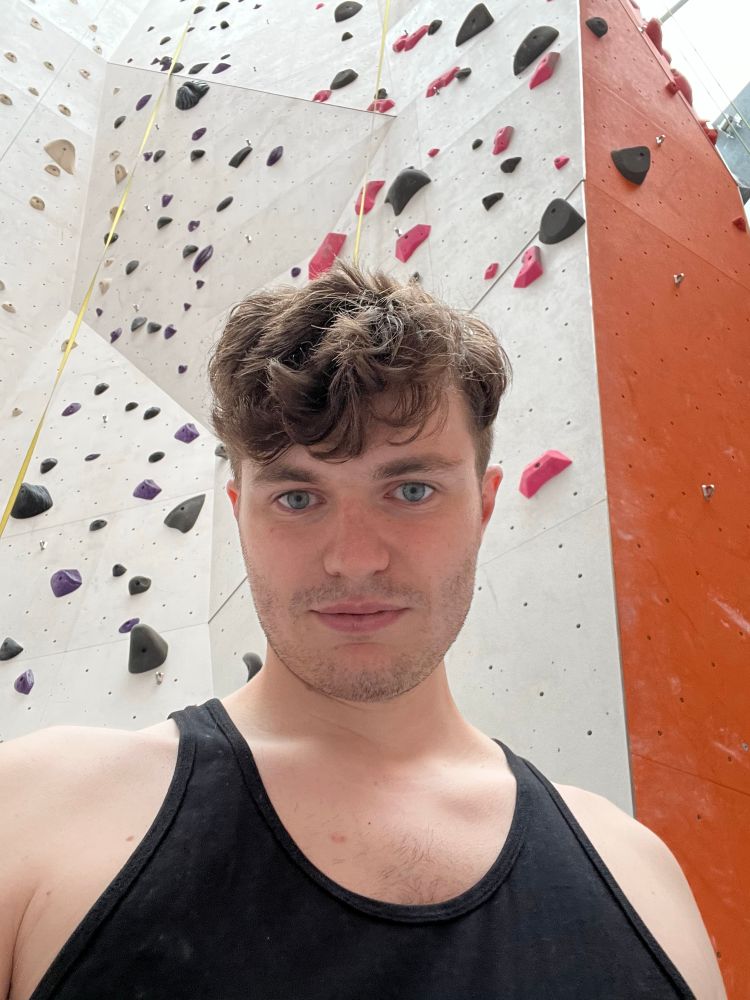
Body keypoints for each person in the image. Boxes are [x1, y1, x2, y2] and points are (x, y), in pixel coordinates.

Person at [1, 260, 725, 999]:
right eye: (297, 497)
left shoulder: (642, 881)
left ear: (483, 506)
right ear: (239, 514)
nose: (354, 558)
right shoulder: (36, 814)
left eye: (411, 490)